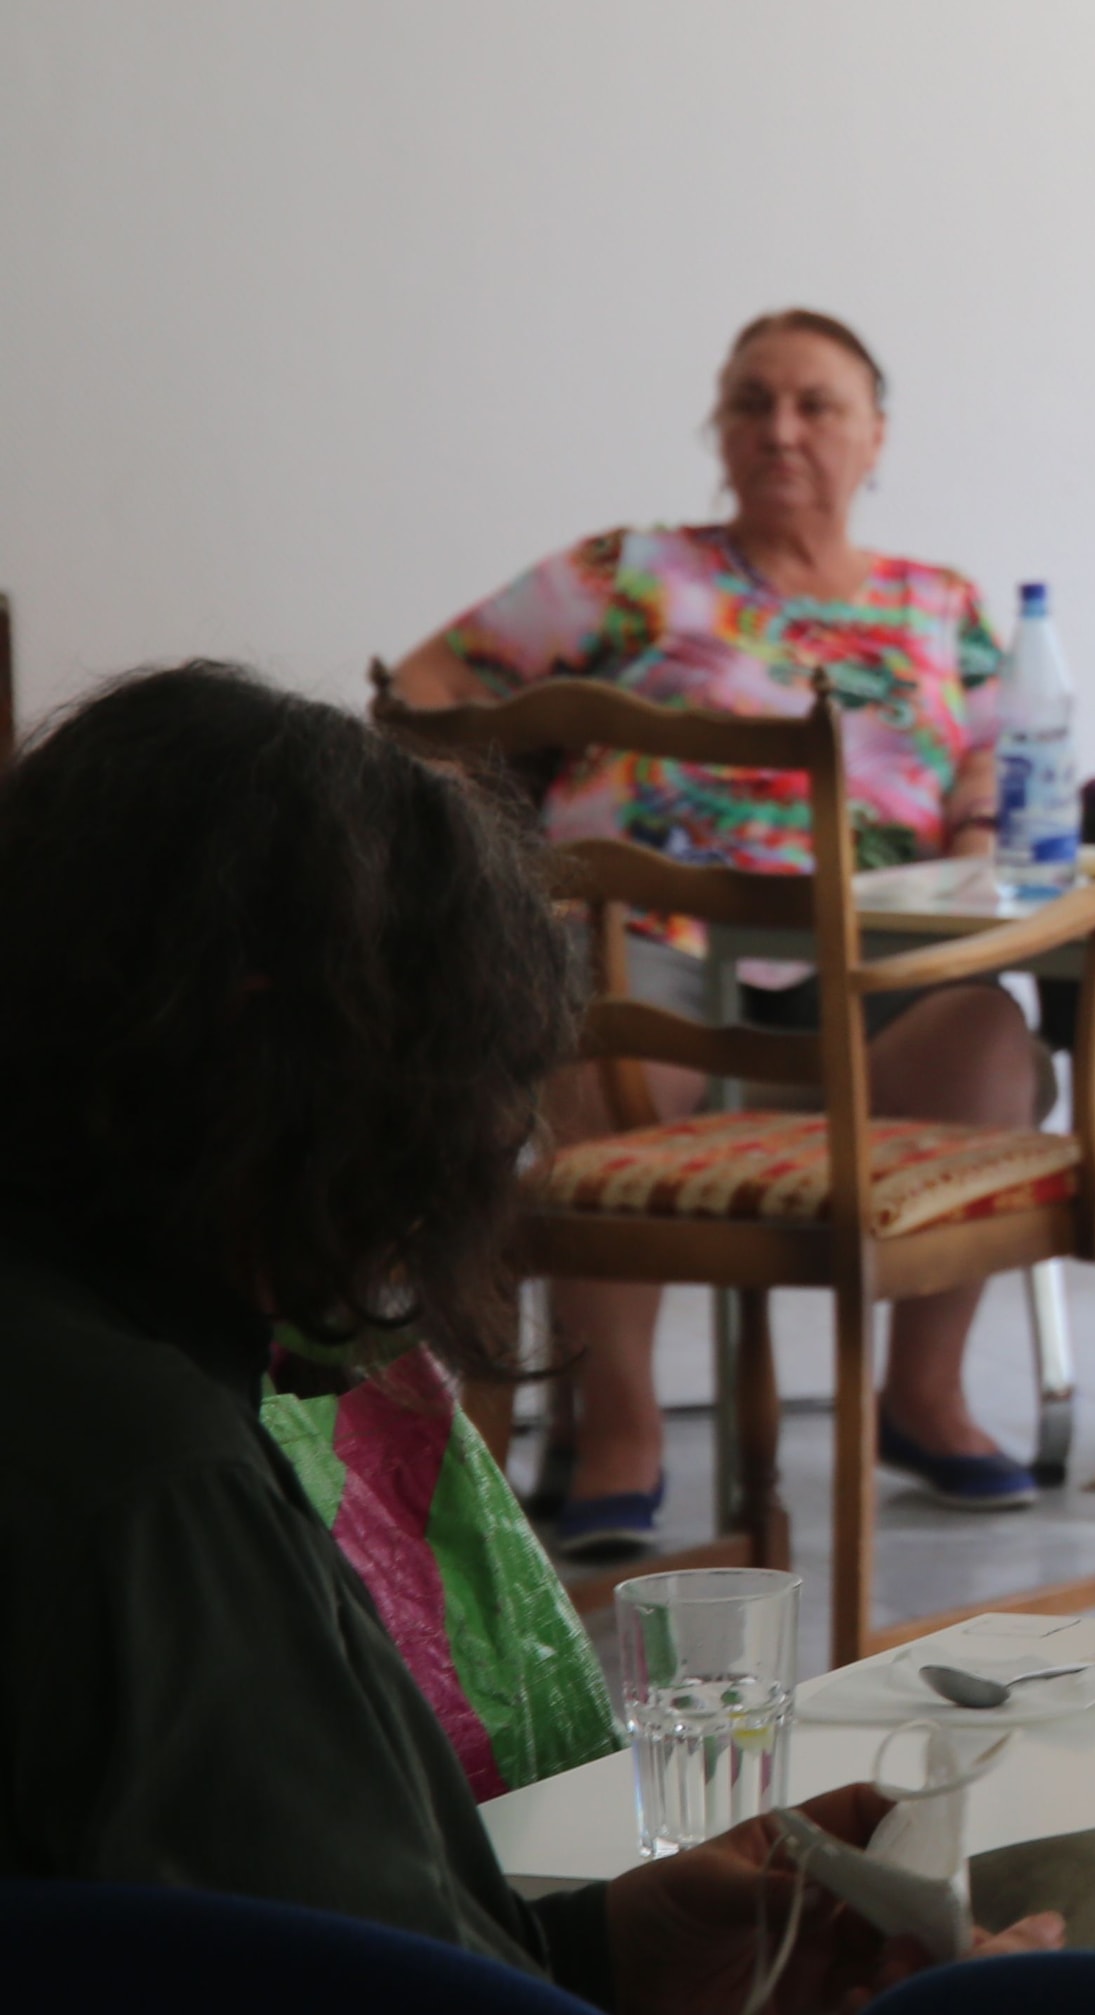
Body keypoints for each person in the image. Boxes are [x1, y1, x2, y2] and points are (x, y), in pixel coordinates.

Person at [0, 666, 1095, 2015]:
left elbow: (337, 1957)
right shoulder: (154, 1486)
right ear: (270, 1045)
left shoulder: (86, 1357)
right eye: (454, 1081)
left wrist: (602, 1955)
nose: (473, 1155)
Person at [388, 308, 1049, 1550]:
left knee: (989, 1037)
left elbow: (998, 758)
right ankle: (620, 1421)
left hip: (872, 956)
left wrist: (970, 838)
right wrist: (501, 841)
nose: (780, 429)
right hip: (661, 941)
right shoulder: (635, 573)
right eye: (751, 402)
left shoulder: (939, 602)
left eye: (815, 404)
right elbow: (425, 688)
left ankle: (924, 1396)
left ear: (876, 437)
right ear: (718, 428)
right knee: (593, 1050)